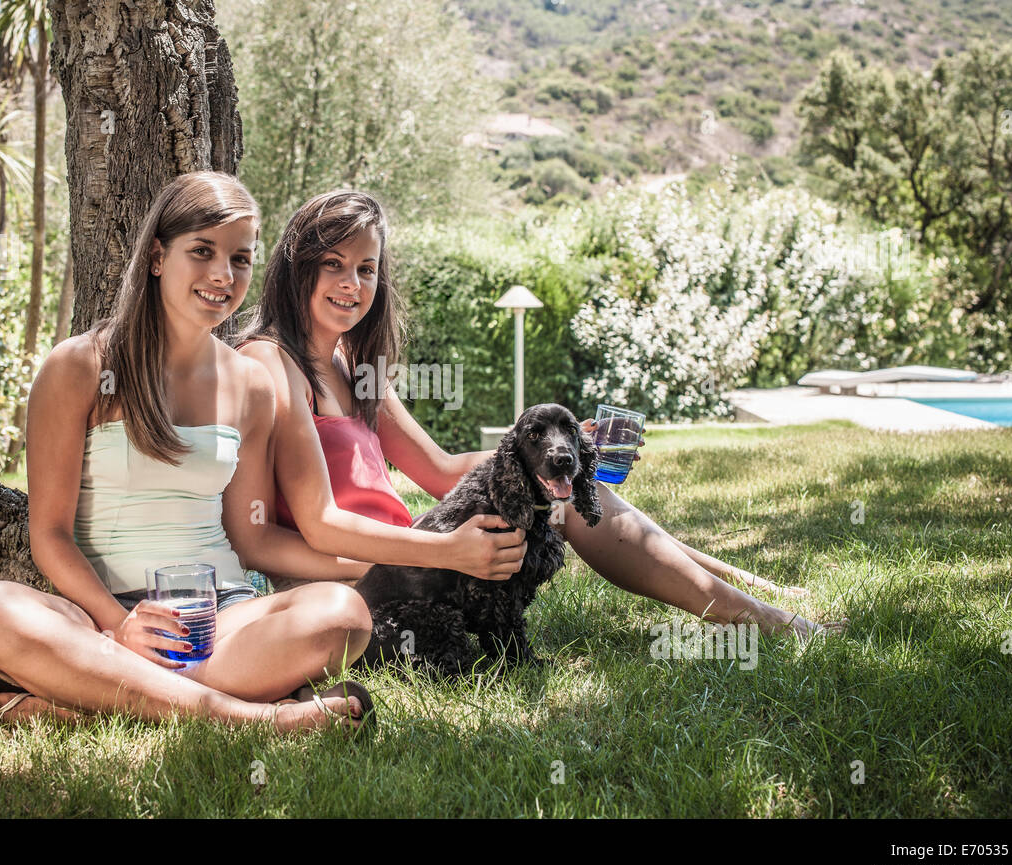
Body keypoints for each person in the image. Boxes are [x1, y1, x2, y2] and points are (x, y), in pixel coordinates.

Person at [0, 172, 526, 730]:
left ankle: (83, 699)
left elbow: (247, 537)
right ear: (157, 256)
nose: (222, 274)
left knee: (343, 615)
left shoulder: (250, 384)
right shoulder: (80, 366)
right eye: (202, 251)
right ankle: (249, 717)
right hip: (102, 617)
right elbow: (49, 535)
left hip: (221, 615)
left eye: (240, 258)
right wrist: (120, 622)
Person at [237, 189, 847, 639]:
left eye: (366, 269)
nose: (352, 284)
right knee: (564, 495)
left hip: (415, 550)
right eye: (334, 265)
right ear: (298, 267)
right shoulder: (270, 362)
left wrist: (554, 449)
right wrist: (436, 551)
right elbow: (268, 534)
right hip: (367, 577)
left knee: (568, 484)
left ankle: (749, 595)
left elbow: (443, 470)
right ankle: (761, 615)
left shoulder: (350, 360)